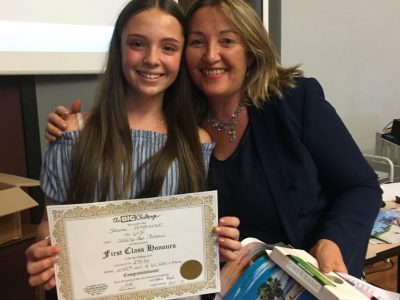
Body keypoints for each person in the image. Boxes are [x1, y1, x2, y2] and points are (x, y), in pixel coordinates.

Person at [44, 0, 382, 279]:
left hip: (308, 276)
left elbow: (360, 186)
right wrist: (75, 127)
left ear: (250, 49)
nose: (210, 55)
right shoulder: (178, 126)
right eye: (197, 42)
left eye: (227, 40)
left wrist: (332, 241)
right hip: (217, 284)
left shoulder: (294, 102)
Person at [25, 0, 241, 296]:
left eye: (168, 47)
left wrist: (219, 241)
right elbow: (49, 224)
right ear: (118, 48)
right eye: (138, 43)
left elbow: (193, 237)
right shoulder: (72, 135)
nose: (152, 59)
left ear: (181, 57)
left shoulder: (197, 142)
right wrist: (44, 254)